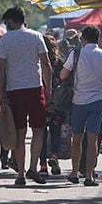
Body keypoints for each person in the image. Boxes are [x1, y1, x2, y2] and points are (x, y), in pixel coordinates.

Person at [0, 6, 53, 186]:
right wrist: (48, 87)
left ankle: (21, 173)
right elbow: (46, 63)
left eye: (6, 22)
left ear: (11, 21)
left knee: (19, 131)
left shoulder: (5, 39)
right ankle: (33, 167)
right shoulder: (36, 36)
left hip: (14, 89)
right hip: (35, 87)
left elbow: (0, 67)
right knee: (39, 129)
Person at [61, 25, 102, 185]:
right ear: (98, 39)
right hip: (98, 100)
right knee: (93, 139)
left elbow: (63, 74)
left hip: (78, 100)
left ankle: (73, 173)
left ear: (83, 39)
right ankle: (89, 175)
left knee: (77, 138)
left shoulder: (76, 53)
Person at [39, 35, 64, 176]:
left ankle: (43, 165)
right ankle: (55, 157)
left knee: (41, 134)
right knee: (56, 132)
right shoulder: (60, 63)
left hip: (41, 101)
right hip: (57, 103)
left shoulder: (38, 62)